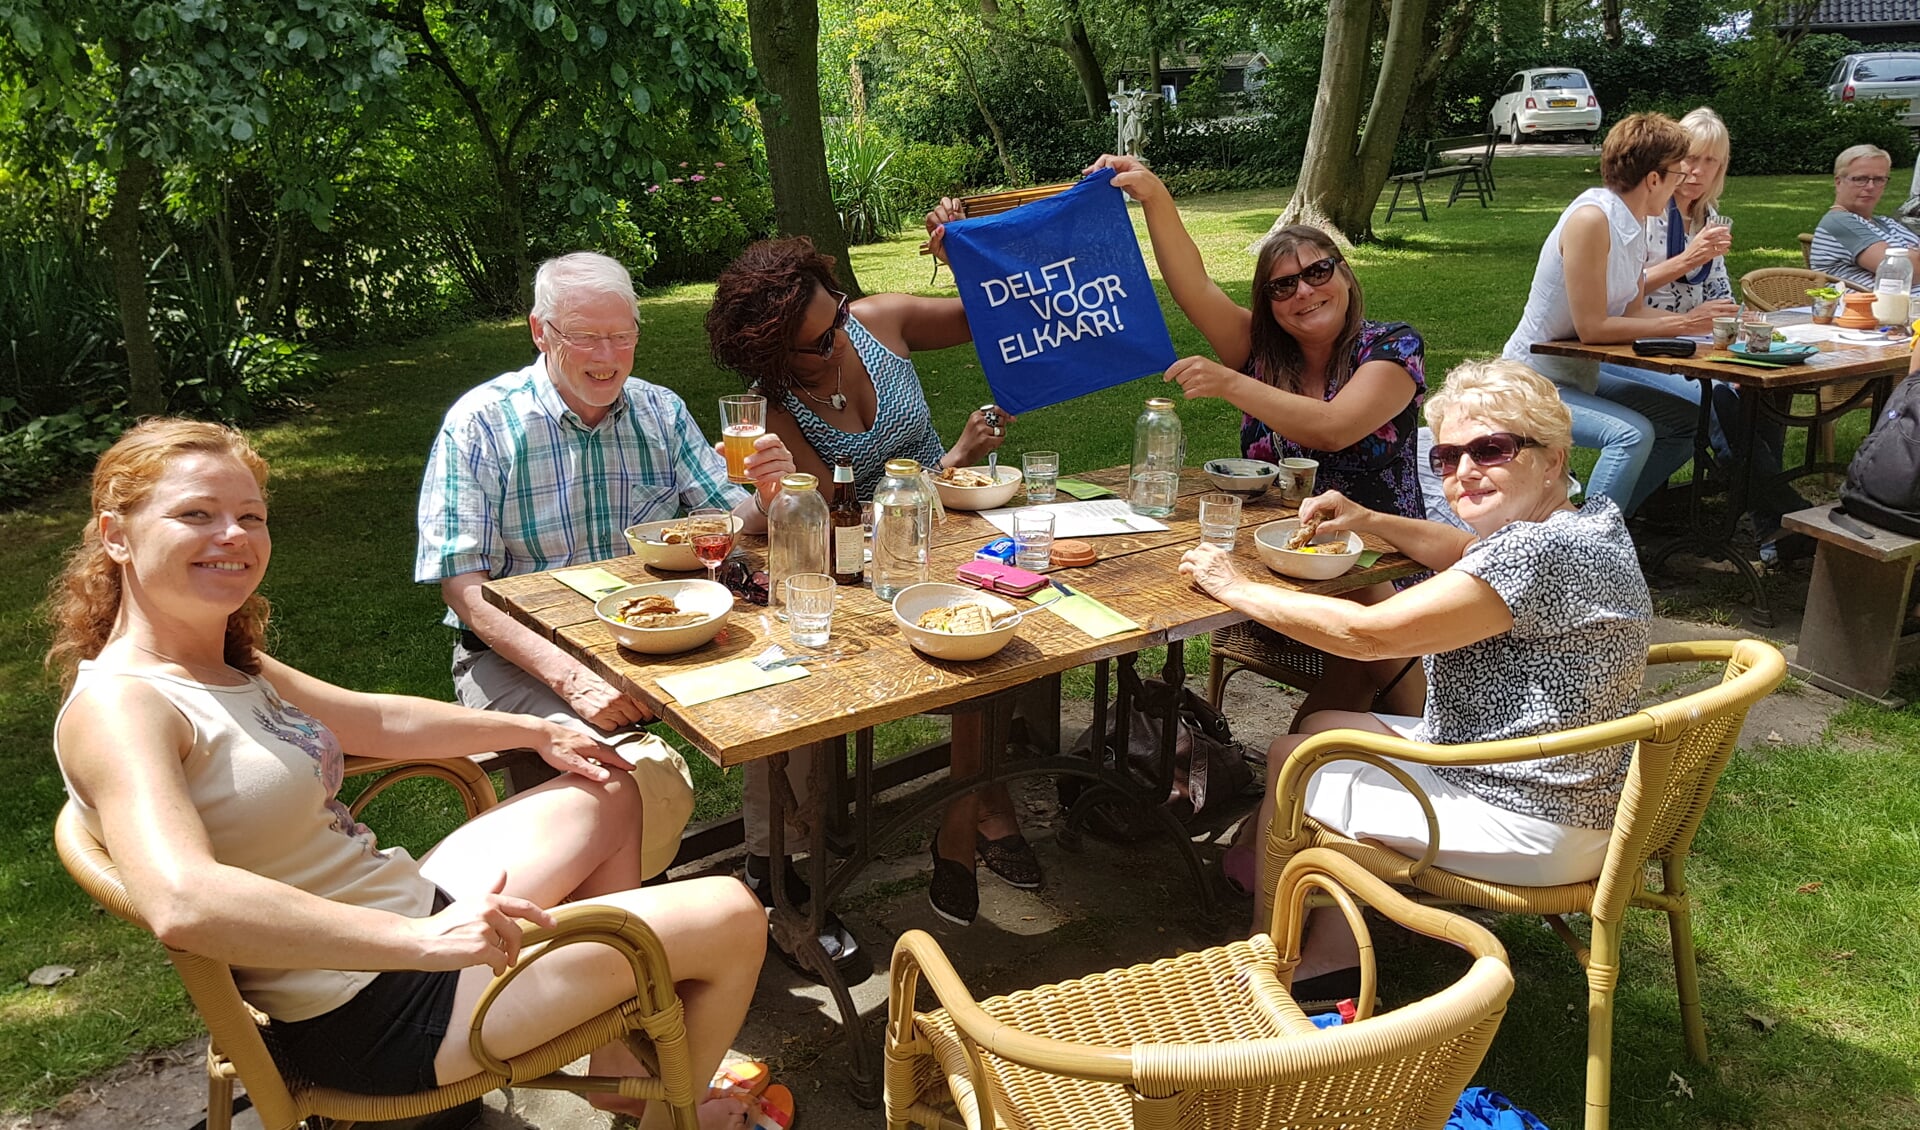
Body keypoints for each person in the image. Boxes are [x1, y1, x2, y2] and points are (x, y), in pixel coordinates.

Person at [48, 420, 769, 1130]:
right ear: (116, 535)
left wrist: (539, 730)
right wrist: (427, 943)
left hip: (399, 920)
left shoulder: (223, 664)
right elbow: (183, 901)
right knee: (733, 916)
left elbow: (377, 721)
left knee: (607, 780)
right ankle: (672, 1118)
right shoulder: (122, 707)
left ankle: (615, 1061)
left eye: (250, 516)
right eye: (195, 515)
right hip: (370, 1009)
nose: (232, 536)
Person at [412, 251, 860, 981]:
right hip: (524, 656)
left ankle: (780, 875)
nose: (607, 356)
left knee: (794, 685)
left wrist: (769, 491)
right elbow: (464, 590)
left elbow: (724, 520)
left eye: (622, 336)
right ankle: (616, 949)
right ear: (539, 331)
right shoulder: (481, 426)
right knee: (605, 770)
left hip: (664, 632)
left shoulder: (656, 408)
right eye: (585, 337)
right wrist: (572, 678)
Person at [1181, 360, 1652, 995]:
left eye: (1491, 449)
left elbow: (1368, 634)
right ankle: (1332, 939)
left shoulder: (1533, 553)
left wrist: (1232, 586)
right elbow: (1462, 552)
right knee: (1321, 728)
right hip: (1566, 784)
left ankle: (1280, 967)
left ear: (1552, 456)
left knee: (1297, 762)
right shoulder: (1580, 522)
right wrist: (1368, 519)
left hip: (1529, 815)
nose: (1464, 471)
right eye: (1448, 457)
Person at [705, 235, 1033, 928]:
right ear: (773, 356)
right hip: (862, 570)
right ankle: (972, 817)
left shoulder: (881, 323)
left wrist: (968, 246)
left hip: (958, 528)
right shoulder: (774, 414)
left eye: (839, 317)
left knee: (1016, 633)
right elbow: (829, 522)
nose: (841, 341)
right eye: (819, 342)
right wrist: (943, 468)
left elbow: (996, 309)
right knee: (963, 647)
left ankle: (971, 809)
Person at [1082, 153, 1430, 731]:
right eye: (1283, 285)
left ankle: (1418, 758)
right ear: (1268, 301)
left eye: (1319, 271)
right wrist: (1156, 198)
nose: (1305, 291)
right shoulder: (1260, 354)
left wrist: (1231, 383)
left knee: (1359, 647)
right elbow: (1190, 283)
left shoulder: (1391, 348)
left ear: (1345, 275)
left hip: (1382, 564)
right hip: (1274, 558)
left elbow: (1333, 426)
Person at [1501, 112, 1737, 517]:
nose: (1685, 182)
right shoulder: (1593, 219)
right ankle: (1589, 545)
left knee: (1686, 422)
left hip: (1578, 376)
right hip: (1533, 381)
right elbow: (1592, 329)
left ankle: (1614, 524)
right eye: (1679, 174)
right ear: (1653, 180)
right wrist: (1684, 324)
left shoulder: (1634, 222)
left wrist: (1701, 328)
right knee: (1630, 435)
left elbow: (1634, 310)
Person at [1607, 108, 1811, 562]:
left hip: (1697, 345)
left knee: (1762, 396)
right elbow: (1619, 296)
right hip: (1640, 346)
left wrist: (1739, 328)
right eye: (1691, 160)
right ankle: (1784, 519)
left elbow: (1718, 290)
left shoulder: (1709, 216)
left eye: (1712, 163)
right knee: (1719, 400)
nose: (1697, 173)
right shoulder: (1643, 213)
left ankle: (1766, 525)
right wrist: (1687, 259)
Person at [1810, 143, 1920, 290]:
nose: (1870, 187)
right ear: (1838, 182)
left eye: (1879, 179)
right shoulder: (1839, 222)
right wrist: (1911, 258)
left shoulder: (1887, 223)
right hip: (1875, 310)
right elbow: (1904, 271)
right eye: (1860, 179)